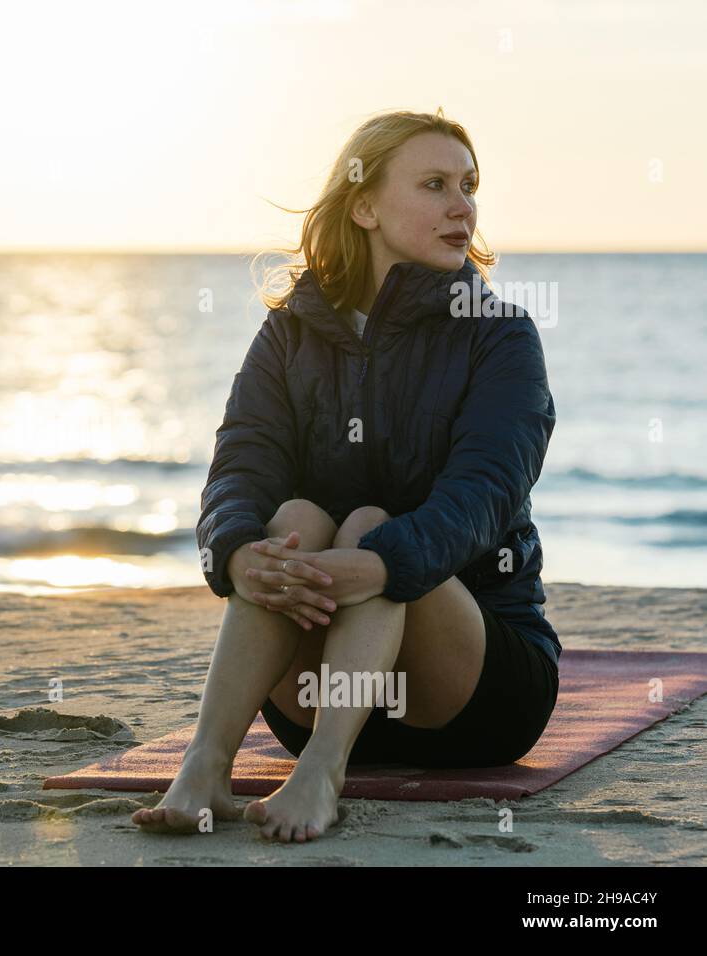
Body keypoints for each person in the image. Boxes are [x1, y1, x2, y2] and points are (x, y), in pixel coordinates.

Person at [132, 108, 561, 842]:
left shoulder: (501, 336)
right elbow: (241, 462)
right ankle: (206, 764)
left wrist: (378, 562)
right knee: (291, 520)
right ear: (363, 205)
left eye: (469, 185)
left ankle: (326, 774)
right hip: (317, 688)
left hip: (471, 694)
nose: (463, 207)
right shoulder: (291, 332)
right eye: (434, 184)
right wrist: (236, 551)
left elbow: (485, 496)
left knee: (373, 525)